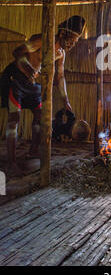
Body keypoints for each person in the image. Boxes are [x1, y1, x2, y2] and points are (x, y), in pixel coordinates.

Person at [0, 15, 86, 176]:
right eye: (72, 40)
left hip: (32, 85)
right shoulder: (42, 40)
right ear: (63, 34)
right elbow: (17, 52)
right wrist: (28, 69)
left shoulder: (61, 53)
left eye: (75, 42)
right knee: (14, 119)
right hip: (16, 79)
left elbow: (60, 77)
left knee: (40, 116)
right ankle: (11, 162)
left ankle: (33, 151)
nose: (73, 45)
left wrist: (65, 99)